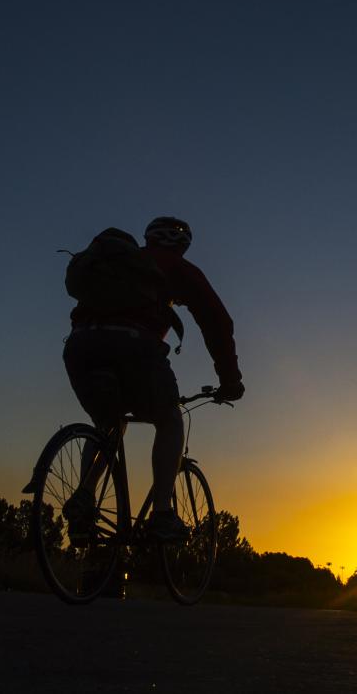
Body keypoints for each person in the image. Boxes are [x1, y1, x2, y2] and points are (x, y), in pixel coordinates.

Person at [60, 216, 243, 541]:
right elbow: (217, 321)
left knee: (109, 423)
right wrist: (230, 380)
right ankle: (161, 514)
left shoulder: (117, 265)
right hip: (133, 345)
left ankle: (85, 496)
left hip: (80, 345)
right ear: (183, 244)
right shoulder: (176, 268)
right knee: (169, 418)